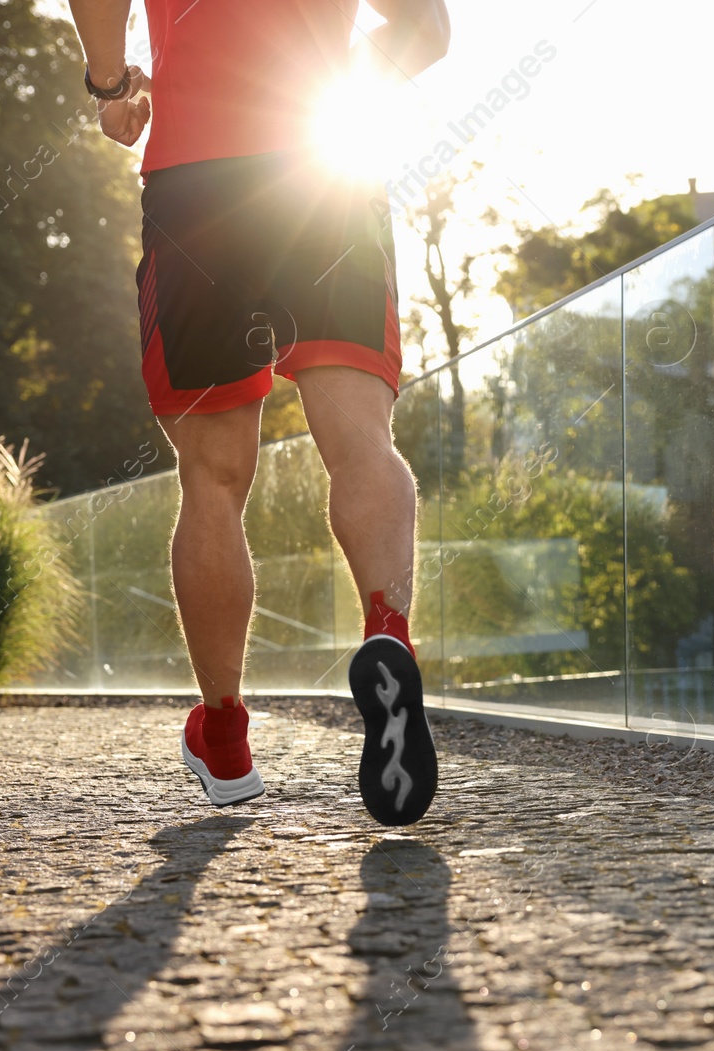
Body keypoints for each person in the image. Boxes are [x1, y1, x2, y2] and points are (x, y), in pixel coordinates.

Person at [66, 0, 449, 826]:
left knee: (212, 477)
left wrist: (109, 85)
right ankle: (387, 631)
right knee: (361, 444)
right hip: (326, 169)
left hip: (198, 180)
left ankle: (227, 736)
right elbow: (426, 29)